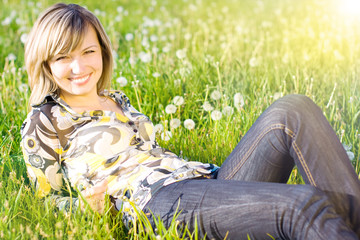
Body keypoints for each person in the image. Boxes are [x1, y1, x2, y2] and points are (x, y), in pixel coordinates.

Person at [21, 3, 360, 240]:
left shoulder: (117, 99)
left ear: (103, 51)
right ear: (46, 63)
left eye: (87, 52)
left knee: (292, 110)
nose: (79, 67)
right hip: (154, 204)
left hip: (203, 181)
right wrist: (83, 207)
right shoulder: (45, 120)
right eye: (63, 57)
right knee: (302, 205)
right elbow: (45, 201)